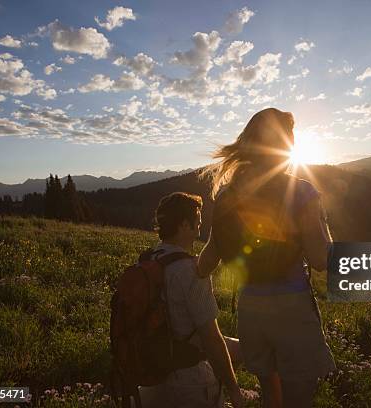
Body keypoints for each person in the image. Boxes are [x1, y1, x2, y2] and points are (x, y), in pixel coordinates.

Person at [197, 108, 336, 407]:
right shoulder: (301, 191)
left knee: (270, 396)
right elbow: (320, 260)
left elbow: (208, 260)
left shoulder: (226, 197)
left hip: (251, 310)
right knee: (298, 399)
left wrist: (170, 262)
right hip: (292, 309)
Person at [137, 192, 243, 408]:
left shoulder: (148, 261)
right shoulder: (190, 271)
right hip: (190, 384)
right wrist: (234, 389)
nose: (199, 230)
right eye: (198, 224)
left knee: (238, 347)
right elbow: (211, 339)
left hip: (151, 379)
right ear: (185, 225)